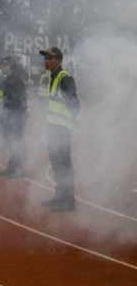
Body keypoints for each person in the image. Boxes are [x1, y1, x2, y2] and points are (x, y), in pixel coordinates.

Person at [39, 47, 80, 212]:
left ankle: (69, 201)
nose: (46, 61)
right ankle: (60, 196)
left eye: (50, 58)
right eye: (46, 58)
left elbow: (75, 104)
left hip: (61, 130)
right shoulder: (53, 77)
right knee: (56, 163)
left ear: (59, 61)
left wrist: (68, 120)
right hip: (53, 129)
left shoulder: (64, 78)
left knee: (63, 165)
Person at [0, 56, 28, 178]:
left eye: (3, 66)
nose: (1, 68)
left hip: (16, 116)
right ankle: (12, 166)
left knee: (18, 142)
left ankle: (20, 169)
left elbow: (19, 100)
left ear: (9, 67)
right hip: (10, 115)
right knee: (12, 141)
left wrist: (13, 115)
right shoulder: (10, 79)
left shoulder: (15, 80)